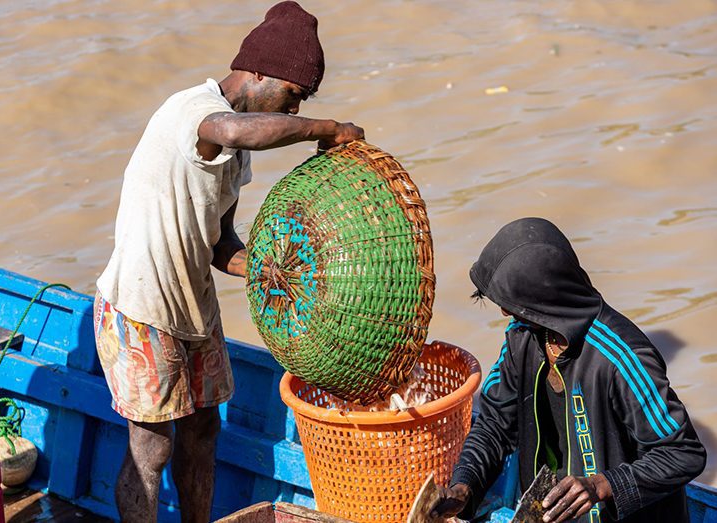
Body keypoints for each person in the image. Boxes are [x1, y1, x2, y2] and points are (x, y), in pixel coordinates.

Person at [93, 2, 364, 521]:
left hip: (193, 306)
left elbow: (220, 245)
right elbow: (237, 129)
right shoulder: (197, 111)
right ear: (258, 71)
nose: (291, 110)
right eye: (292, 96)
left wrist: (266, 269)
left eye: (300, 103)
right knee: (150, 450)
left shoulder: (235, 154)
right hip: (141, 306)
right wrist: (325, 128)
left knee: (202, 433)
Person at [430, 217, 706, 523]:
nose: (505, 312)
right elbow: (495, 423)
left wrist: (602, 485)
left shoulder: (622, 357)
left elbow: (683, 452)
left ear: (542, 299)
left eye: (513, 303)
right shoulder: (522, 336)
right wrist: (464, 485)